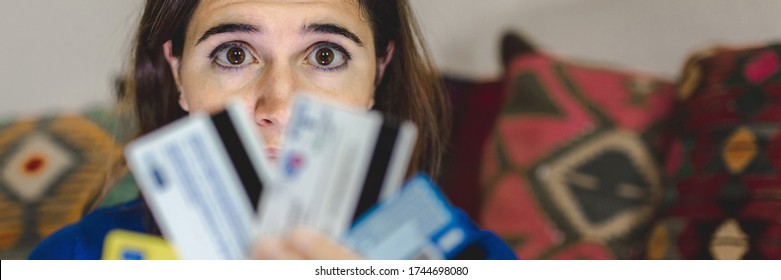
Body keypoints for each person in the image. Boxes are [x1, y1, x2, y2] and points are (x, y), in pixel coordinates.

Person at [29, 0, 516, 260]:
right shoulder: (73, 259)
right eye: (234, 54)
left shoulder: (477, 260)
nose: (279, 105)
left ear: (377, 74)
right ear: (178, 74)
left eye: (325, 55)